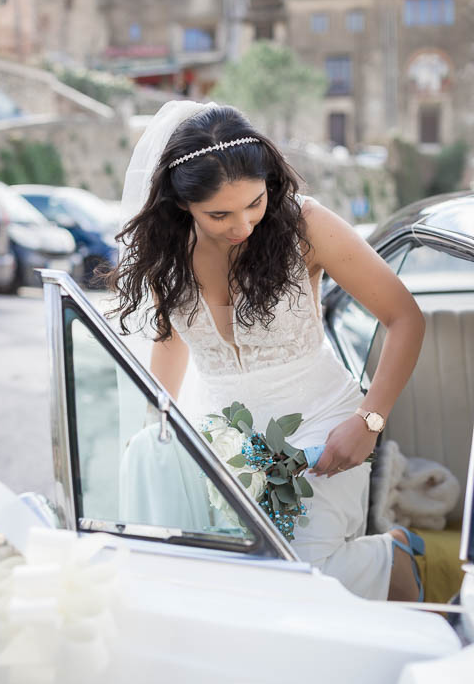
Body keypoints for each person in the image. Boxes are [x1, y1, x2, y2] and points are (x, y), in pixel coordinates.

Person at [107, 99, 426, 602]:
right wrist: (160, 429)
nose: (242, 225)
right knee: (232, 584)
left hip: (323, 430)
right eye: (219, 214)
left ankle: (395, 558)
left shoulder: (305, 226)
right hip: (220, 441)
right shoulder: (167, 250)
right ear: (180, 203)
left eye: (254, 203)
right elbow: (170, 342)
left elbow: (405, 318)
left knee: (307, 577)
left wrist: (369, 422)